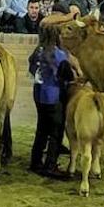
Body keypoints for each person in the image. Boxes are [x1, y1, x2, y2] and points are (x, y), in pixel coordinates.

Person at [28, 23, 72, 176]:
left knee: (41, 130)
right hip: (53, 96)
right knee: (56, 132)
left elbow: (31, 67)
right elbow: (67, 75)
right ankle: (50, 165)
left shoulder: (37, 51)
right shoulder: (58, 54)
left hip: (39, 94)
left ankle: (35, 162)